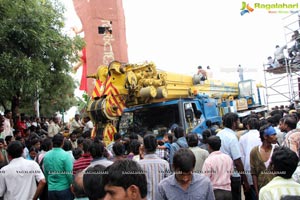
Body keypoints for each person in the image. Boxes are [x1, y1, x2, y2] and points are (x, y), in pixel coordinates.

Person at [217, 112, 250, 200]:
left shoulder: (219, 134)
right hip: (233, 176)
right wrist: (245, 180)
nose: (239, 123)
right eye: (238, 121)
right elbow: (237, 161)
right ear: (234, 123)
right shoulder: (232, 137)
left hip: (221, 174)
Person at [138, 134, 170, 200]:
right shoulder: (165, 164)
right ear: (156, 146)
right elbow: (168, 185)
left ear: (143, 147)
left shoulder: (138, 164)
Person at [250, 124, 278, 198]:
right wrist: (257, 192)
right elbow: (254, 173)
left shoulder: (277, 149)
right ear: (265, 137)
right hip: (262, 189)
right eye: (273, 135)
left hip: (276, 189)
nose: (276, 137)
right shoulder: (254, 151)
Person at [43, 134, 74, 200]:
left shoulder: (46, 156)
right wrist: (71, 184)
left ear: (52, 142)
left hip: (51, 189)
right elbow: (69, 174)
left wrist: (50, 183)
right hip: (64, 188)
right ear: (63, 142)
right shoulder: (66, 155)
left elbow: (46, 173)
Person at [202, 136, 233, 200]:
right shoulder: (228, 158)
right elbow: (231, 173)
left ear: (209, 146)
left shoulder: (208, 161)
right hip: (228, 192)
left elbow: (205, 179)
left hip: (215, 193)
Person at [239, 117, 262, 200]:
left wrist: (242, 174)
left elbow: (241, 156)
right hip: (263, 169)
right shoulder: (262, 135)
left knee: (252, 193)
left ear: (248, 126)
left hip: (248, 169)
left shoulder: (243, 138)